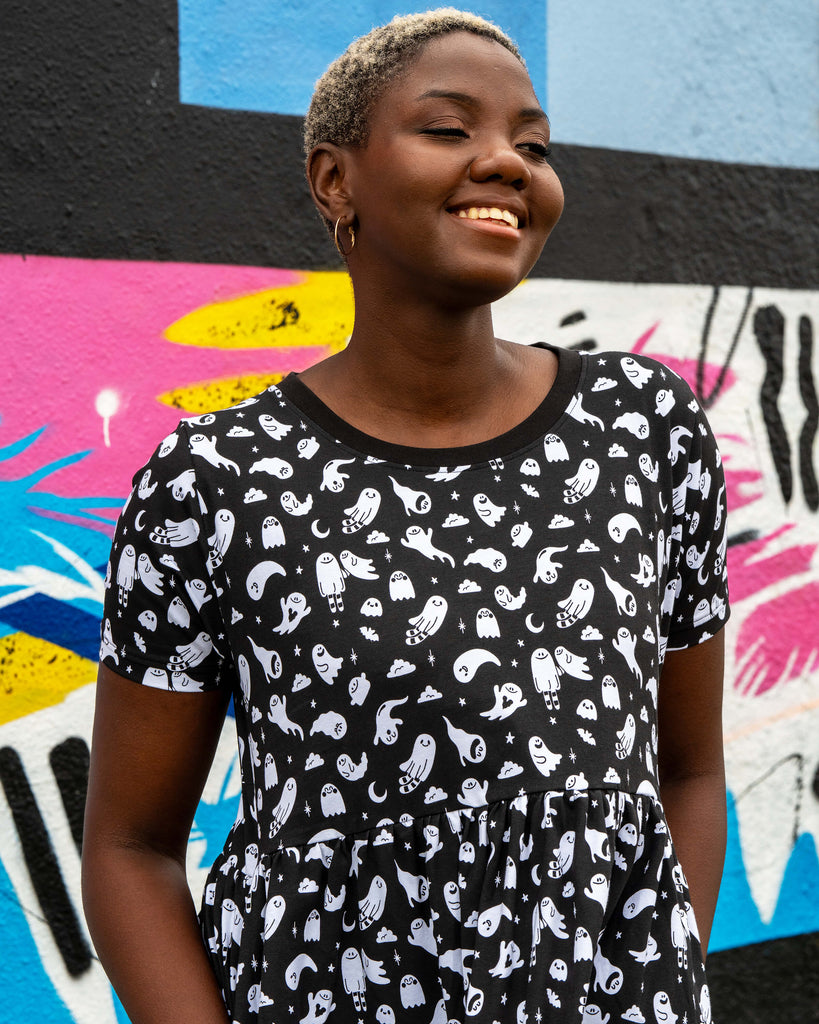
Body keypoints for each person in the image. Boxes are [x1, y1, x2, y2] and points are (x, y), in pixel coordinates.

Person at [82, 9, 729, 1024]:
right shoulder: (217, 481)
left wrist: (656, 972)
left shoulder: (645, 430)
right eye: (448, 128)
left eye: (533, 143)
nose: (507, 163)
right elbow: (127, 848)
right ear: (336, 180)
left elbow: (688, 767)